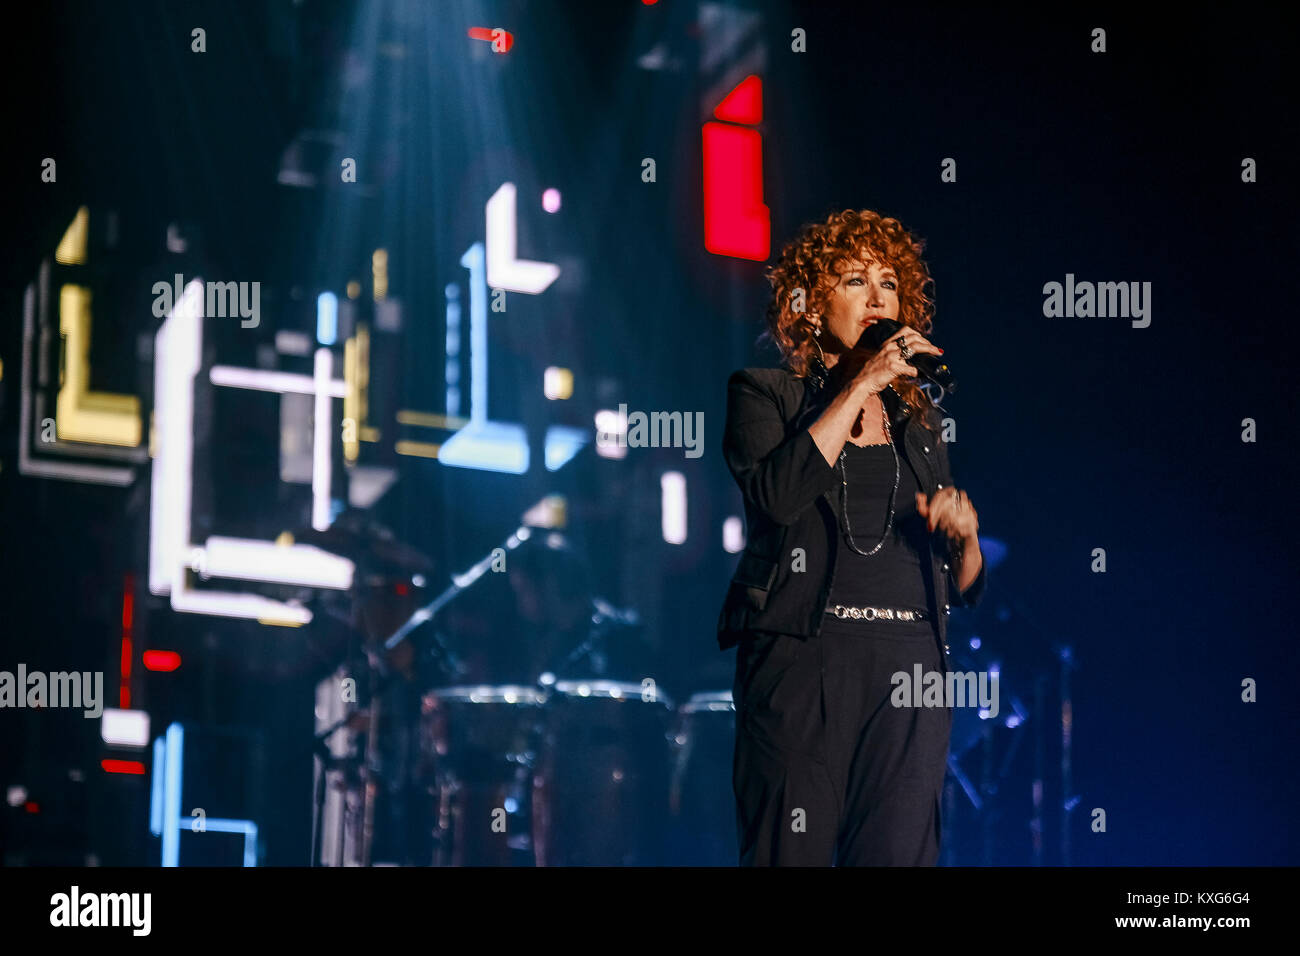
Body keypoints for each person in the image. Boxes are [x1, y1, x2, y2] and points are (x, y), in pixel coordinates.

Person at [717, 209, 987, 866]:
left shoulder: (918, 426)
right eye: (854, 280)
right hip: (805, 664)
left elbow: (962, 586)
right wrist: (862, 380)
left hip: (911, 670)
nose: (876, 297)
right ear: (812, 307)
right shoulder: (766, 395)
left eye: (889, 284)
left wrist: (967, 539)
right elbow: (778, 497)